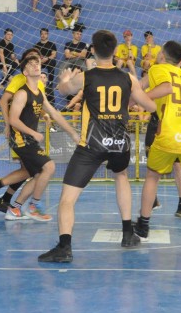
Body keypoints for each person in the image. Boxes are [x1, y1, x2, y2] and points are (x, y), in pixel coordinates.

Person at [38, 30, 158, 263]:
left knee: (67, 199)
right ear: (115, 52)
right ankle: (127, 233)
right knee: (121, 176)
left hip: (91, 144)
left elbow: (63, 90)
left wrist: (64, 80)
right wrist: (132, 99)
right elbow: (151, 106)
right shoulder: (128, 79)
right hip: (119, 143)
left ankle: (65, 247)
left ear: (92, 50)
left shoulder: (86, 76)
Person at [132, 40, 181, 250]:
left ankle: (143, 226)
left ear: (161, 55)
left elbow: (165, 88)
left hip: (169, 132)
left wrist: (138, 99)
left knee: (152, 176)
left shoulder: (158, 69)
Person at [3, 52, 80, 221]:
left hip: (28, 139)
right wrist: (33, 132)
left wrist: (73, 133)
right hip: (20, 138)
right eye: (31, 64)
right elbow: (14, 119)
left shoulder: (39, 93)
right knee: (49, 167)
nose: (36, 65)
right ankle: (33, 207)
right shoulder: (22, 93)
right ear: (25, 72)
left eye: (37, 62)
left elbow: (55, 114)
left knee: (39, 174)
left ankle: (15, 208)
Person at [0, 48, 49, 213]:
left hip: (29, 131)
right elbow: (4, 101)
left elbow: (37, 104)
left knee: (28, 170)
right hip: (20, 132)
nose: (34, 63)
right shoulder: (20, 80)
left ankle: (4, 199)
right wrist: (7, 124)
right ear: (25, 64)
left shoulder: (39, 82)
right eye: (30, 60)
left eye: (36, 60)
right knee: (34, 170)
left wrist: (45, 114)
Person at [33, 27, 59, 101]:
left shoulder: (52, 44)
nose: (43, 35)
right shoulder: (37, 45)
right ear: (40, 35)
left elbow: (54, 54)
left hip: (48, 60)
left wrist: (46, 58)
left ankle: (50, 83)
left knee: (52, 61)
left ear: (47, 35)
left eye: (45, 34)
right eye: (42, 34)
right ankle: (36, 83)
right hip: (39, 62)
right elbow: (35, 55)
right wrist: (40, 60)